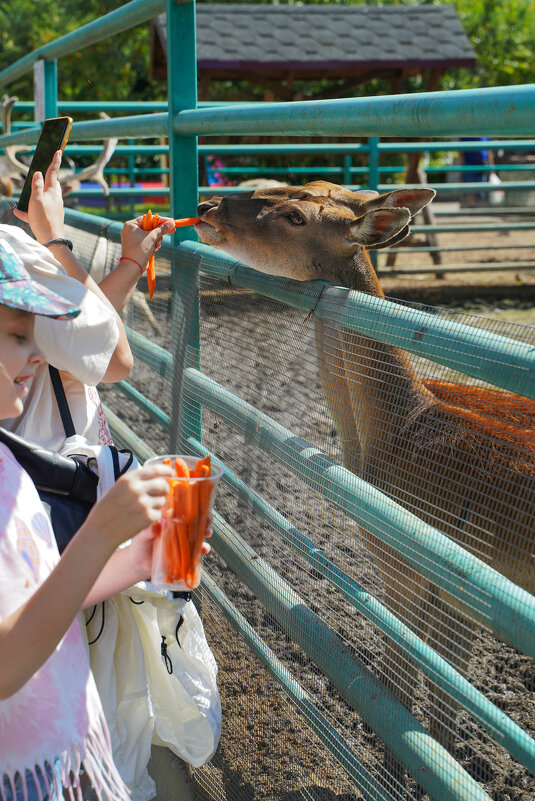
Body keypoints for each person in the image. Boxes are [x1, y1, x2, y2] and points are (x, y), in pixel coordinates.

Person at [0, 243, 175, 801]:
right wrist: (100, 530)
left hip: (45, 757)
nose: (36, 356)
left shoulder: (9, 459)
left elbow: (37, 591)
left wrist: (140, 558)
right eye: (17, 336)